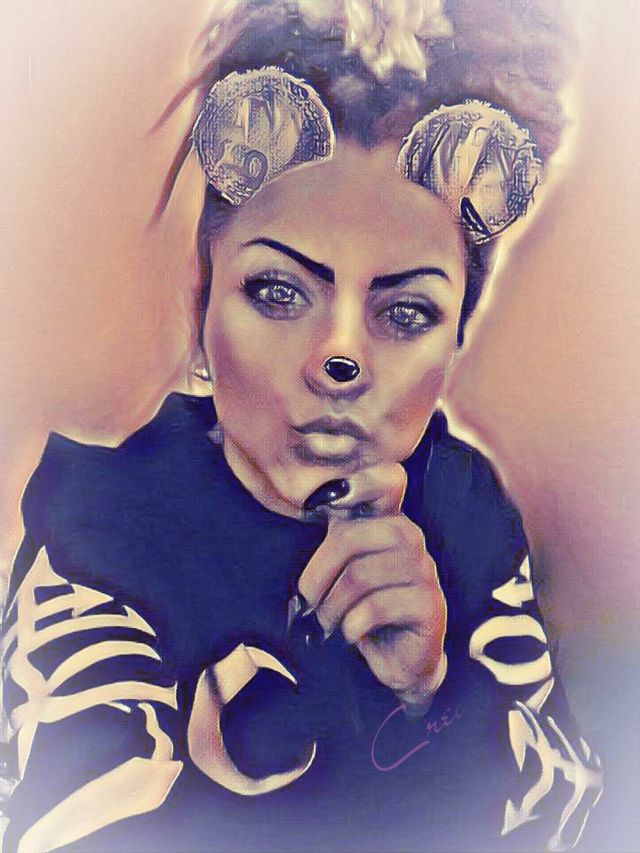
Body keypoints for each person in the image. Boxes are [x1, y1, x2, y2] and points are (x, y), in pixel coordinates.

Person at [1, 2, 604, 851]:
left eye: (406, 312)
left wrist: (437, 695)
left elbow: (577, 816)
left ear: (455, 342)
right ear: (202, 303)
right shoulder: (102, 523)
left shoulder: (464, 507)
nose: (340, 357)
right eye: (280, 292)